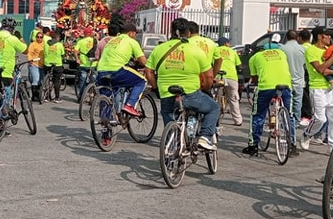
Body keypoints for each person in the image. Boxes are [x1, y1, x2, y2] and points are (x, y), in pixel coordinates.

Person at [147, 17, 219, 151]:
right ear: (189, 33)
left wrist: (156, 88)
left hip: (166, 92)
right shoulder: (196, 50)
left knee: (169, 119)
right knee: (213, 108)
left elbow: (149, 72)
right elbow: (209, 76)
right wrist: (206, 88)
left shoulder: (158, 49)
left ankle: (171, 149)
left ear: (171, 31)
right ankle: (204, 137)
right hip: (190, 93)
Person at [242, 34, 295, 156]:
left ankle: (253, 145)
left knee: (258, 115)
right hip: (285, 85)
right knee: (289, 115)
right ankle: (291, 144)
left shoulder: (255, 57)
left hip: (266, 87)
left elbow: (254, 78)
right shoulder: (282, 54)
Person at [95, 21, 151, 116]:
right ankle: (130, 105)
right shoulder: (131, 41)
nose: (135, 36)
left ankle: (105, 124)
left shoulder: (112, 40)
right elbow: (143, 61)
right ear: (130, 33)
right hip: (117, 70)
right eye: (135, 34)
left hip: (101, 71)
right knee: (142, 81)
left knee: (106, 98)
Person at [299, 26, 333, 150]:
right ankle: (307, 134)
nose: (329, 37)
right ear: (319, 36)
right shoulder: (311, 50)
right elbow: (321, 69)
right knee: (320, 119)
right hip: (318, 88)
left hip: (332, 88)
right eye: (327, 35)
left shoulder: (330, 49)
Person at [0, 17, 28, 94]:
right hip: (5, 72)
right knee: (5, 98)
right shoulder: (13, 39)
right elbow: (25, 51)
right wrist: (21, 39)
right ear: (12, 29)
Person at [212, 36, 243, 126]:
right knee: (233, 99)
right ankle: (238, 120)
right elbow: (239, 65)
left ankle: (214, 118)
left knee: (215, 97)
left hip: (218, 76)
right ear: (226, 43)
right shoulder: (233, 52)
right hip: (231, 77)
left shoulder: (216, 50)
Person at [281, 29, 307, 129]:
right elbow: (306, 65)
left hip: (285, 80)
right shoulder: (303, 49)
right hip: (299, 80)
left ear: (287, 37)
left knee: (286, 103)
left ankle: (286, 121)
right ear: (297, 38)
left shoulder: (282, 48)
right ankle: (296, 122)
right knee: (297, 103)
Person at [43, 29, 66, 102]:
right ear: (57, 37)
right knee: (56, 81)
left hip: (47, 63)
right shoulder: (59, 45)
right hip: (57, 64)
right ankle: (57, 98)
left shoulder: (46, 44)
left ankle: (46, 96)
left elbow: (44, 52)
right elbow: (62, 54)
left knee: (47, 79)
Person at [74, 32, 97, 101]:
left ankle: (81, 97)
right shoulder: (96, 41)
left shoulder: (81, 41)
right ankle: (91, 93)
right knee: (93, 79)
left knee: (82, 80)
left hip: (83, 64)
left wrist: (77, 59)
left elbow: (75, 51)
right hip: (93, 64)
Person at [26, 30, 46, 102]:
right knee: (36, 80)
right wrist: (30, 60)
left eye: (41, 37)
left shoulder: (44, 44)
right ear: (36, 37)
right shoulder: (33, 44)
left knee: (40, 81)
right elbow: (29, 53)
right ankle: (34, 96)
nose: (39, 38)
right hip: (34, 64)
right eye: (38, 37)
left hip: (42, 65)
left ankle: (39, 95)